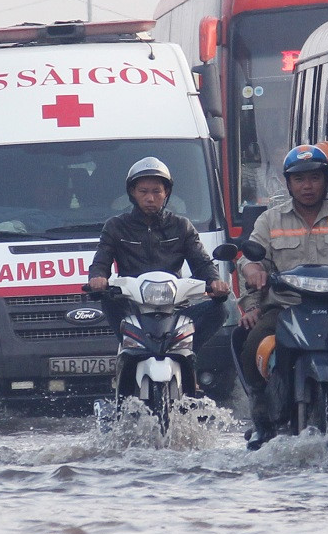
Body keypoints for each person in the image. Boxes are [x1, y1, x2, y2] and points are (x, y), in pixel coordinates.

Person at [236, 145, 328, 448]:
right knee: (250, 344)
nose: (307, 186)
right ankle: (263, 420)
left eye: (315, 178)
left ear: (326, 180)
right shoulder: (270, 220)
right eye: (299, 179)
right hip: (285, 310)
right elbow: (250, 260)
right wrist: (252, 277)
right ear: (288, 183)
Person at [88, 158, 230, 393]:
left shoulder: (182, 226)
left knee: (220, 309)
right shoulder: (115, 226)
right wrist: (98, 279)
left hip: (174, 309)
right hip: (132, 308)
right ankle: (125, 363)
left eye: (157, 191)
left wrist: (215, 282)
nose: (150, 198)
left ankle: (188, 355)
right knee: (109, 301)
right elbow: (100, 261)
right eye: (143, 191)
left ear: (167, 193)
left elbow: (202, 262)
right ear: (132, 192)